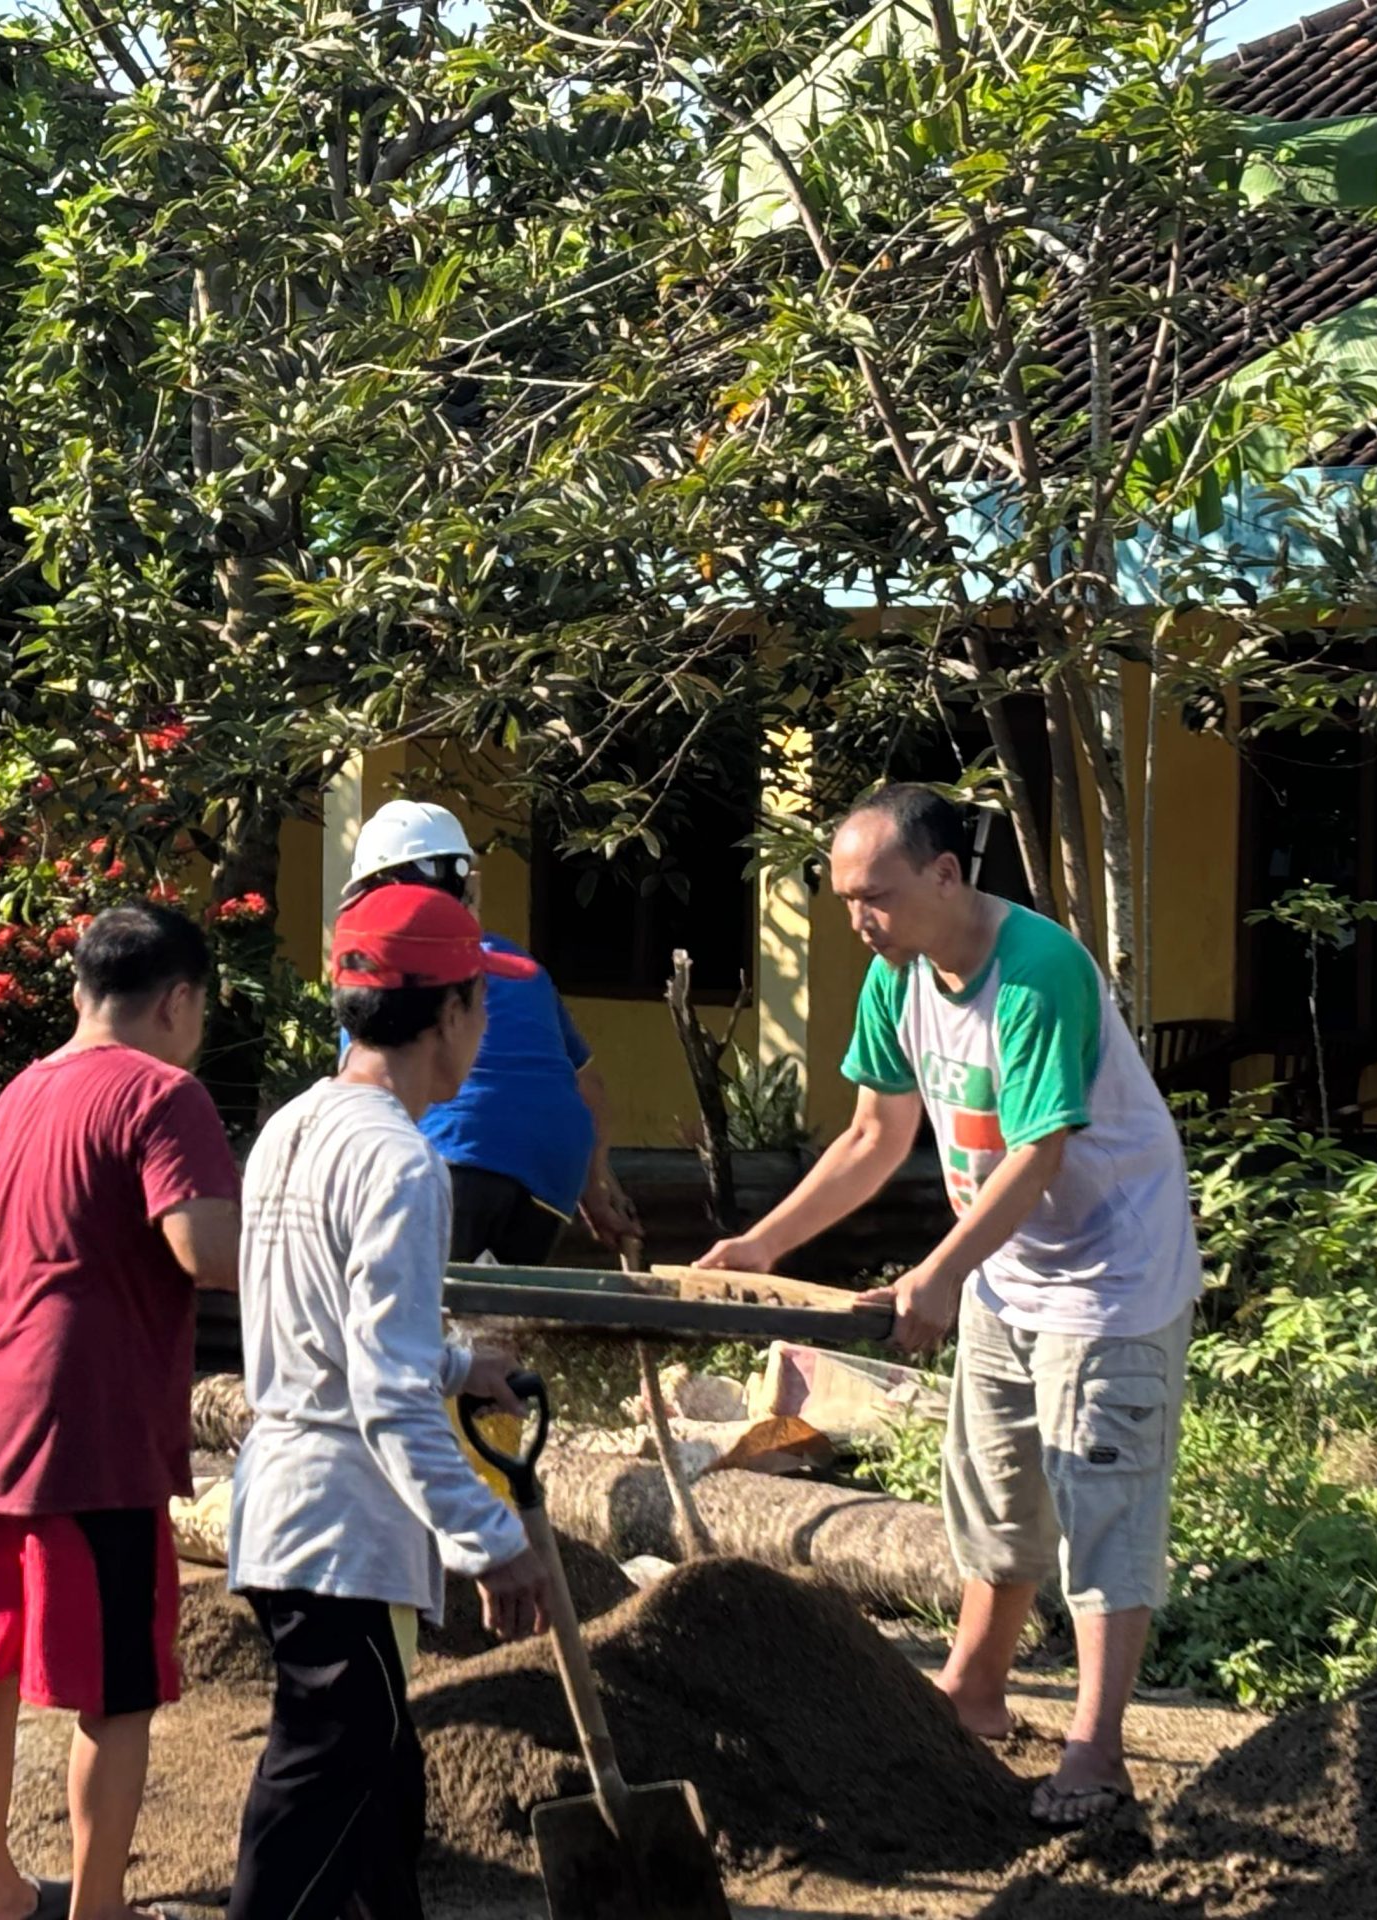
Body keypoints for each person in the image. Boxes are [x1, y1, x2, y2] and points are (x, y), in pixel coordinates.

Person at [696, 784, 1201, 1833]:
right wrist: (759, 1246)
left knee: (1102, 1506)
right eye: (842, 901)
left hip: (1110, 1279)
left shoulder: (1038, 972)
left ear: (943, 874)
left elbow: (1037, 1151)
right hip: (1009, 1272)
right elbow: (872, 1140)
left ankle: (1096, 1754)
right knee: (994, 1491)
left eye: (872, 896)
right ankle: (972, 1693)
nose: (857, 921)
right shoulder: (898, 979)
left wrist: (936, 1276)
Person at [225, 882, 557, 1920]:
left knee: (377, 1790)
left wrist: (462, 1367)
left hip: (283, 1501)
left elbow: (336, 1324)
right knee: (319, 1788)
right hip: (339, 1525)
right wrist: (488, 1538)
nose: (484, 1025)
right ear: (449, 1013)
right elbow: (384, 1394)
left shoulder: (294, 1125)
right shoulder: (405, 1163)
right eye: (482, 1004)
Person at [0, 903, 244, 1920]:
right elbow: (203, 1249)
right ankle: (99, 1904)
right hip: (87, 1425)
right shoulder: (166, 1093)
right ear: (179, 999)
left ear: (79, 992)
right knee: (115, 1687)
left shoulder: (24, 1089)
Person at [345, 800, 636, 1265]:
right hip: (554, 1171)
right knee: (501, 1328)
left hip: (453, 1155)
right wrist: (596, 1188)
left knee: (430, 1313)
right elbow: (590, 1090)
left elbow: (369, 1096)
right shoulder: (525, 968)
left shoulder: (383, 969)